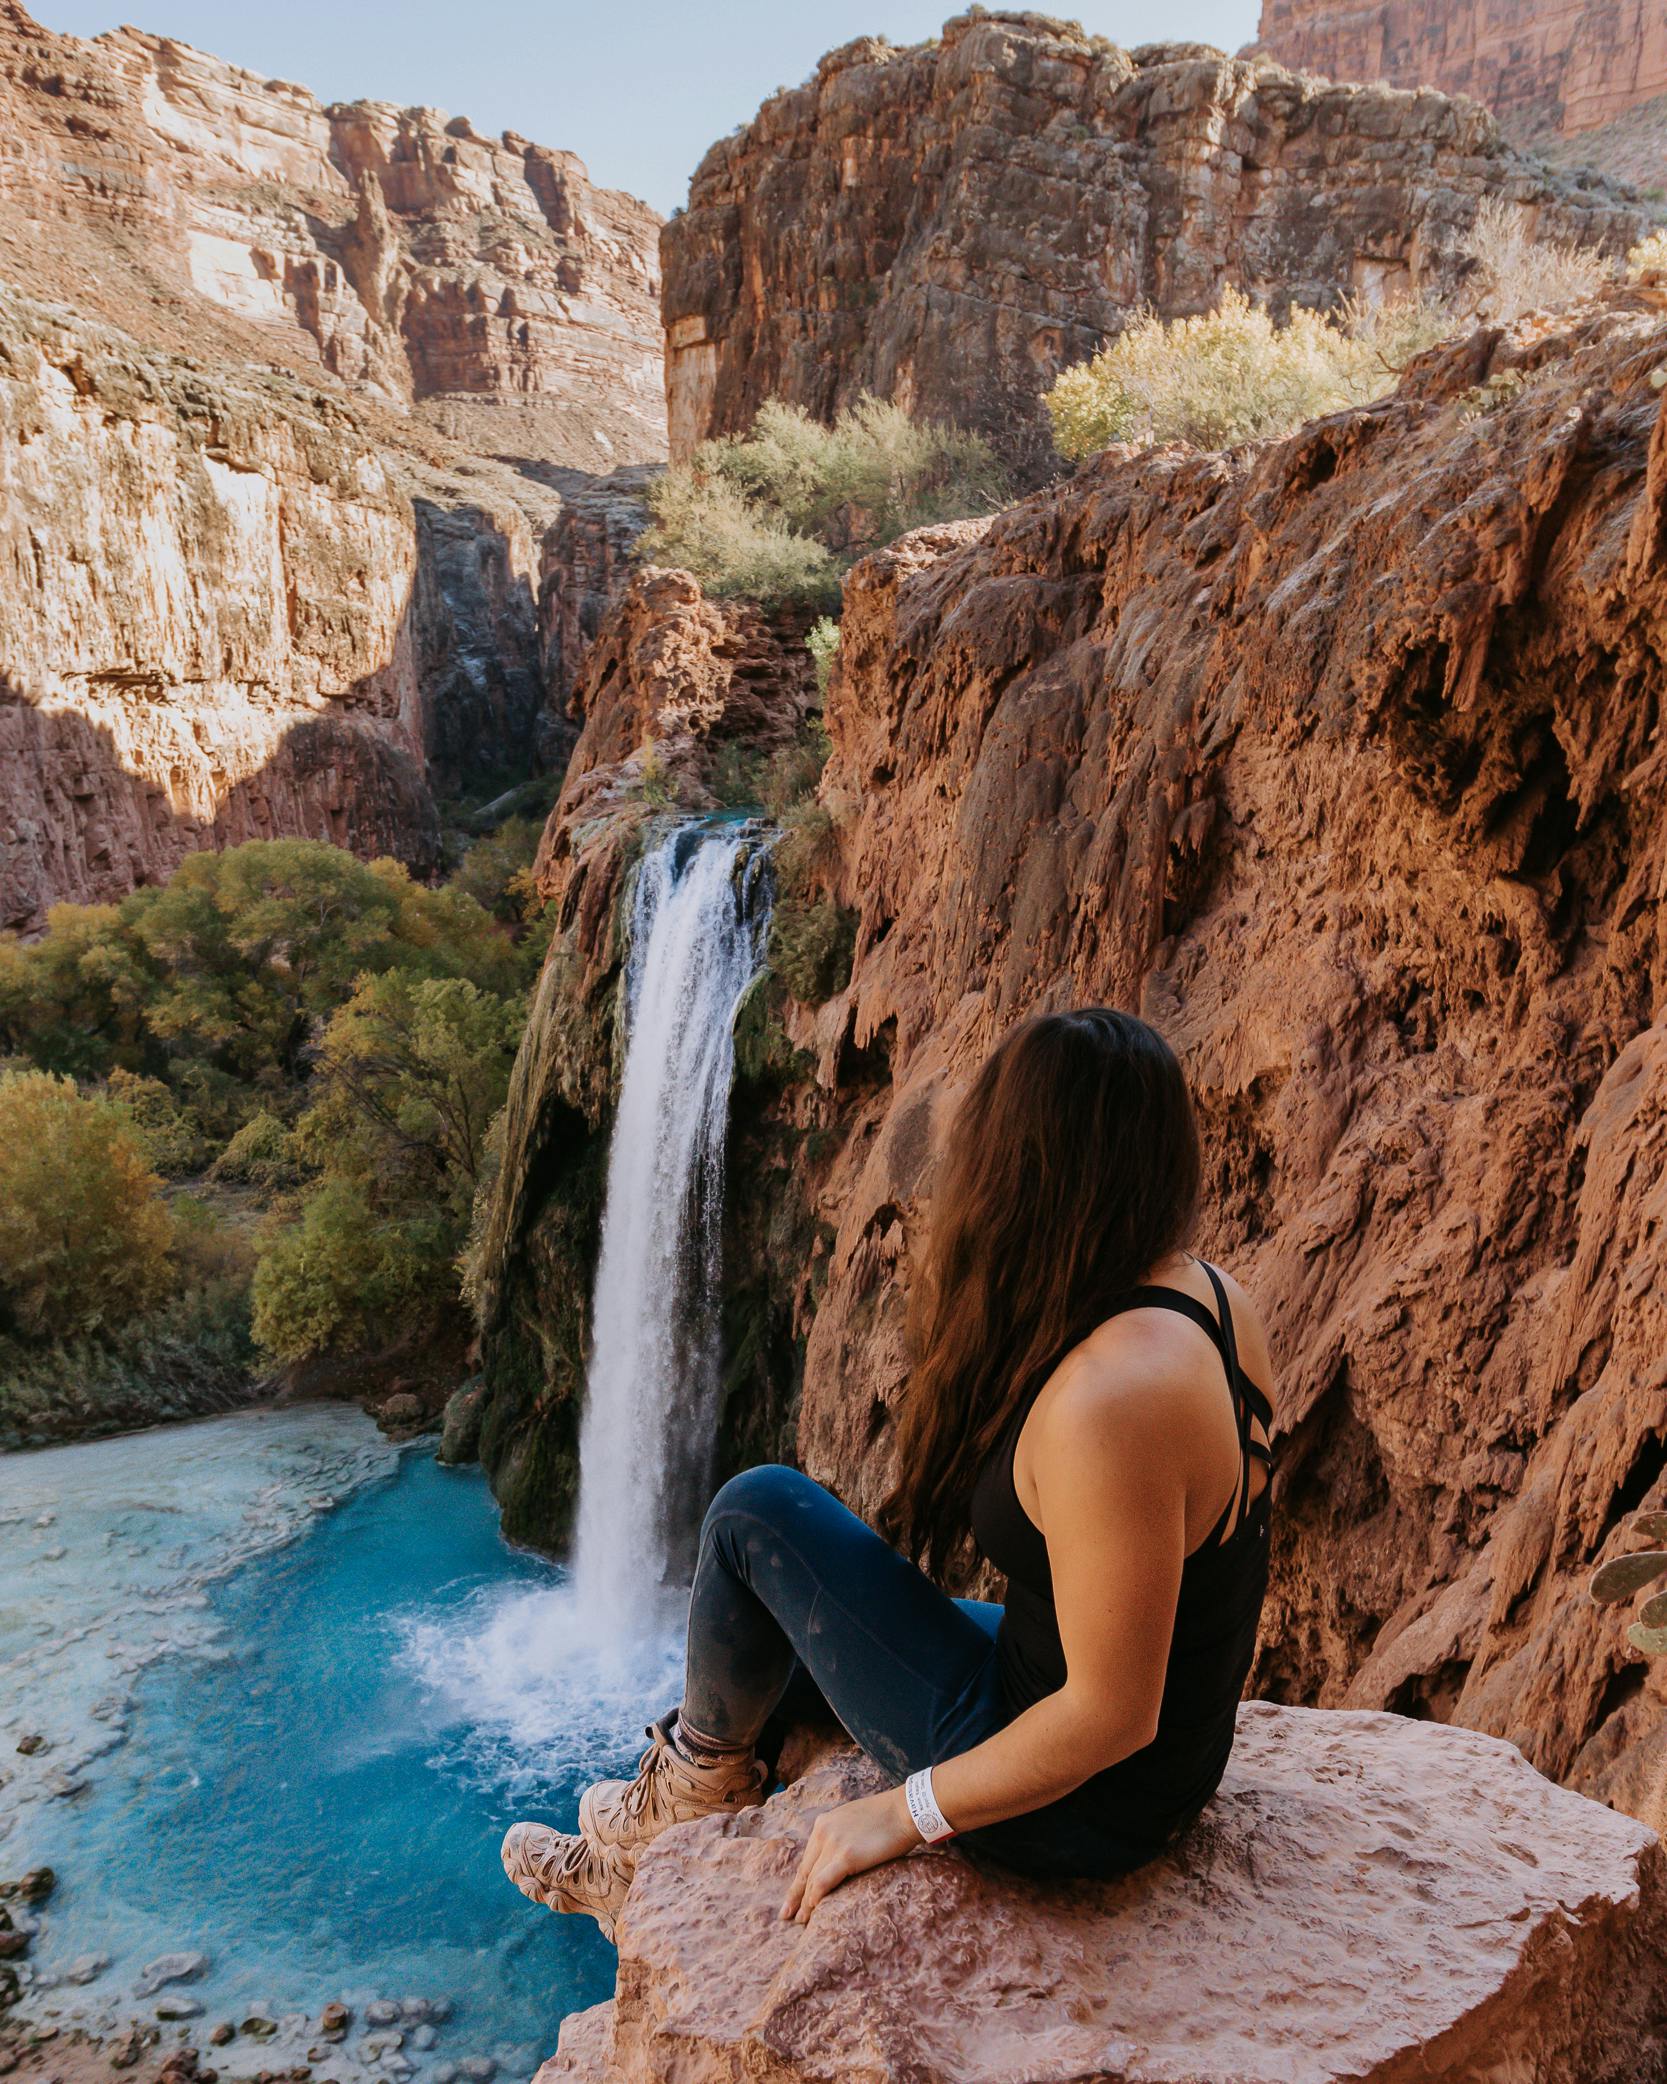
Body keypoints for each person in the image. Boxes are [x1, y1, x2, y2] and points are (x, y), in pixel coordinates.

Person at [501, 1007, 1275, 1938]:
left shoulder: (1109, 1402)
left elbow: (1109, 1715)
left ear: (1026, 1167)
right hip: (1168, 1755)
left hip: (1088, 1810)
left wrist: (902, 1814)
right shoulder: (1213, 1298)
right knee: (789, 1625)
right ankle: (679, 1798)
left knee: (756, 1516)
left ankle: (669, 1821)